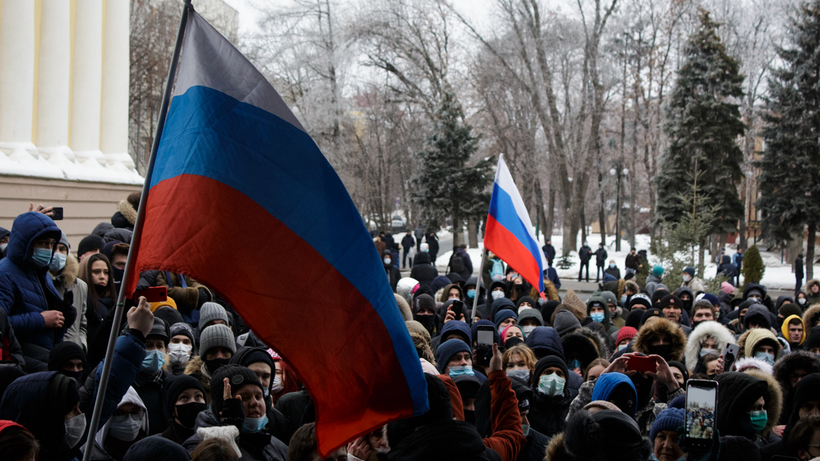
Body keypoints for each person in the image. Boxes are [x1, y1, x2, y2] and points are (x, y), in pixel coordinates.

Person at [0, 212, 76, 372]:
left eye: (51, 244)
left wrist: (64, 318)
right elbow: (3, 324)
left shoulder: (39, 272)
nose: (48, 250)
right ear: (25, 244)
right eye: (42, 243)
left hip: (42, 354)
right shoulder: (4, 273)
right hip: (20, 361)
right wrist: (40, 320)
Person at [183, 365, 289, 460]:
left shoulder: (274, 445)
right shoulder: (197, 445)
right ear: (222, 408)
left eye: (258, 397)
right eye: (244, 398)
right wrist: (229, 428)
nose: (255, 403)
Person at [49, 232, 88, 351]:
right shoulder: (39, 282)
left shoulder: (79, 286)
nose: (57, 253)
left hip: (74, 350)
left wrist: (81, 344)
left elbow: (82, 323)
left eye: (62, 249)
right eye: (54, 248)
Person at [79, 253, 117, 348]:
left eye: (106, 272)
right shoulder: (82, 300)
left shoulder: (114, 302)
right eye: (96, 272)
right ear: (86, 272)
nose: (102, 276)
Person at [161, 374, 207, 445]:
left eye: (198, 396)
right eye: (184, 397)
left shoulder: (211, 438)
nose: (193, 401)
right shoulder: (164, 443)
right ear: (173, 409)